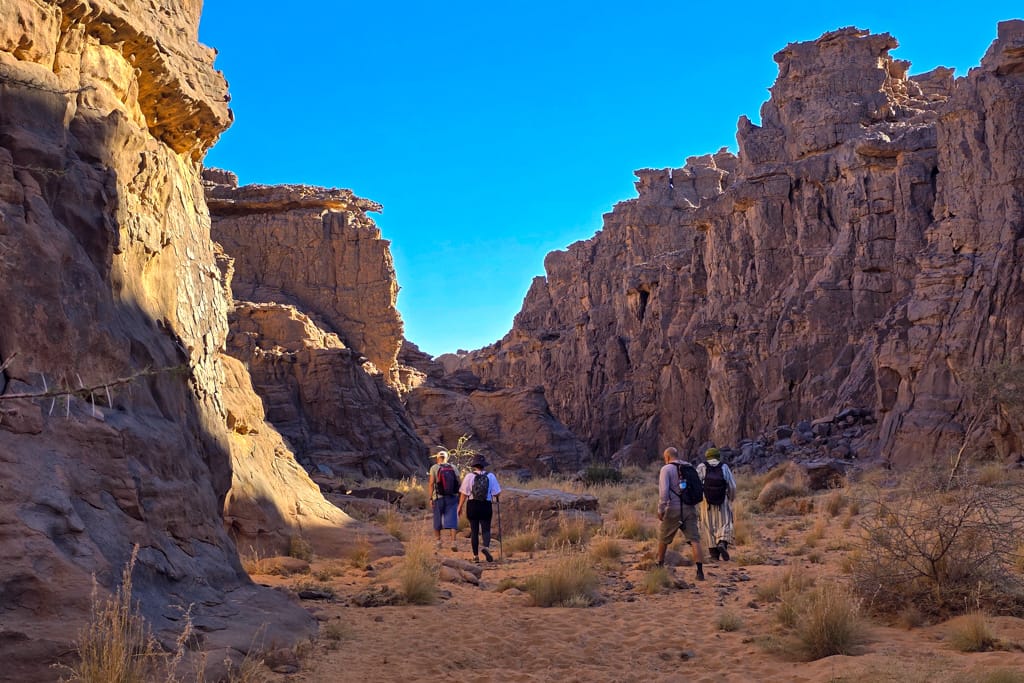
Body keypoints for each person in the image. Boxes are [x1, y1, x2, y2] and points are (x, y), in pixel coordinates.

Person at [656, 446, 705, 581]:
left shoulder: (666, 469)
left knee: (663, 538)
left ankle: (659, 566)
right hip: (690, 508)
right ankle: (700, 572)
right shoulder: (688, 467)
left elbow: (664, 492)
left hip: (673, 509)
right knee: (694, 539)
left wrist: (661, 509)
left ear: (667, 457)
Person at [457, 454, 501, 563]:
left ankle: (475, 556)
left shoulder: (469, 477)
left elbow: (464, 493)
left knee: (474, 530)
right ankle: (486, 547)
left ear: (474, 465)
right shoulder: (490, 476)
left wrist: (460, 506)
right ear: (484, 465)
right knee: (486, 529)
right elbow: (497, 493)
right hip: (486, 505)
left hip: (472, 505)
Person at [697, 447, 738, 562]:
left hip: (706, 501)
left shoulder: (701, 467)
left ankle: (714, 554)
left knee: (708, 525)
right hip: (722, 500)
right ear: (718, 456)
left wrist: (699, 498)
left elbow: (696, 485)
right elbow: (732, 486)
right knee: (725, 522)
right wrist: (730, 498)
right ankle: (722, 542)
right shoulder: (724, 467)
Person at [427, 450, 459, 551]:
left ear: (437, 458)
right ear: (447, 458)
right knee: (452, 519)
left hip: (438, 497)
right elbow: (459, 481)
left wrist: (430, 497)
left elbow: (431, 483)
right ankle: (453, 542)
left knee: (437, 518)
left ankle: (438, 542)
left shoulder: (434, 468)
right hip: (452, 497)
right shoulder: (453, 467)